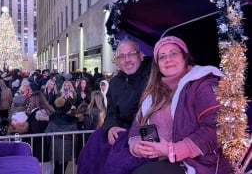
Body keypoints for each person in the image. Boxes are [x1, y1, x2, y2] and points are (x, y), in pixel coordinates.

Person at [128, 36, 232, 174]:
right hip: (160, 159)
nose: (168, 59)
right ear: (157, 64)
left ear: (185, 57)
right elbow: (136, 127)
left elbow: (217, 128)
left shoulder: (202, 83)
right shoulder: (153, 93)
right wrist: (136, 145)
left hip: (199, 163)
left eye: (173, 53)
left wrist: (173, 150)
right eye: (162, 56)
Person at [77, 37, 152, 174]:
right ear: (117, 61)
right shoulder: (115, 82)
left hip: (147, 131)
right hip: (121, 131)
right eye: (122, 56)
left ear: (141, 56)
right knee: (91, 150)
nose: (127, 60)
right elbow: (111, 113)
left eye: (131, 54)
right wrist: (110, 128)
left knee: (117, 164)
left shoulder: (154, 76)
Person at [45, 96, 78, 174]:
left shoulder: (52, 118)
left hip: (54, 144)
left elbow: (47, 132)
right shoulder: (72, 120)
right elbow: (75, 137)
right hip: (66, 145)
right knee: (61, 168)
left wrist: (47, 145)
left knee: (56, 167)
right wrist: (74, 152)